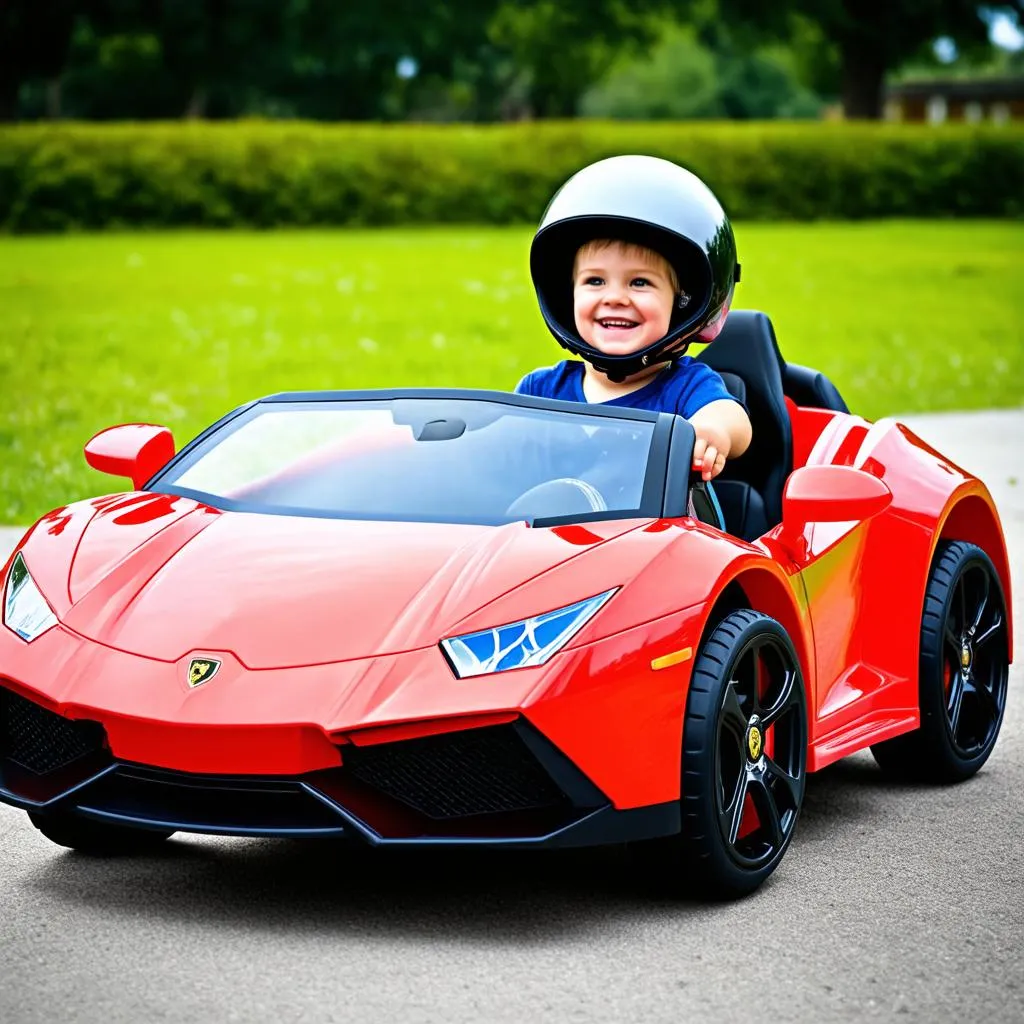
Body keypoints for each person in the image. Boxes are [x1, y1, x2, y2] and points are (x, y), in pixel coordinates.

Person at [516, 155, 751, 484]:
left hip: (659, 534)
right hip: (554, 537)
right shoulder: (540, 391)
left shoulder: (684, 388)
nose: (614, 297)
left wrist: (712, 432)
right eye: (595, 281)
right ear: (566, 295)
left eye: (639, 282)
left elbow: (732, 420)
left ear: (682, 303)